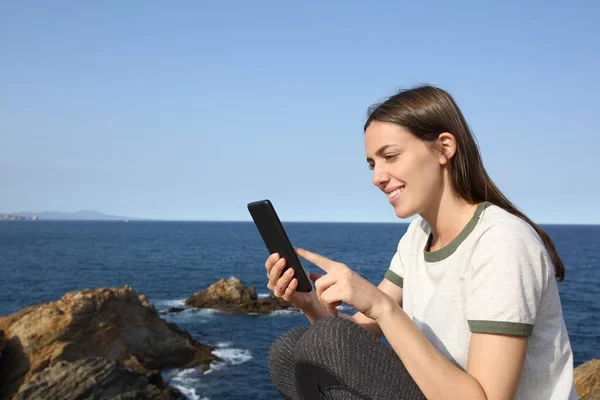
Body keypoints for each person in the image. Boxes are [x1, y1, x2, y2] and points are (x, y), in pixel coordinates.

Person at [264, 85, 577, 400]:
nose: (377, 177)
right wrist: (311, 305)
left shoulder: (502, 243)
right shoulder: (418, 236)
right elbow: (354, 337)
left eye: (390, 156)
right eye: (373, 164)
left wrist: (381, 306)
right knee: (288, 351)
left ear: (444, 148)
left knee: (324, 342)